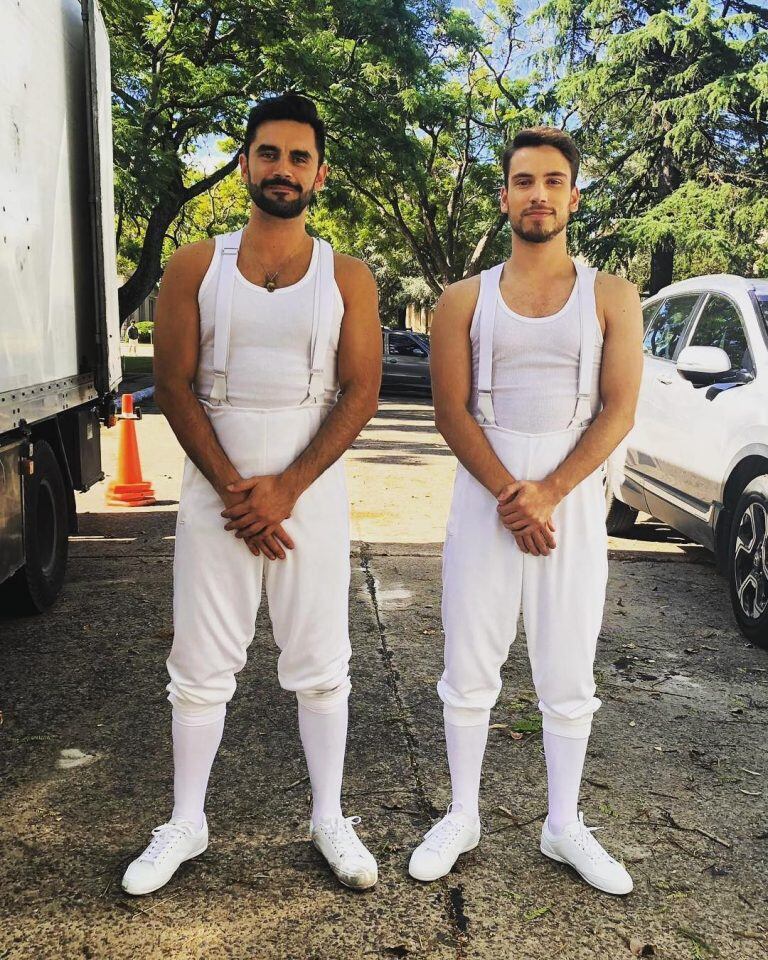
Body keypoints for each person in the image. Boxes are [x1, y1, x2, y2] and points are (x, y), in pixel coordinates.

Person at [122, 94, 382, 896]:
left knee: (322, 664)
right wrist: (240, 493)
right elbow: (173, 383)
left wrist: (288, 490)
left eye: (299, 157)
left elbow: (361, 389)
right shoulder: (197, 264)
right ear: (244, 164)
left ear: (320, 174)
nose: (283, 169)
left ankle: (329, 816)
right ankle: (186, 821)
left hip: (310, 495)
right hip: (217, 493)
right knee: (199, 666)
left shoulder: (347, 275)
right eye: (268, 154)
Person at [408, 127, 643, 895]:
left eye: (552, 181)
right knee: (469, 664)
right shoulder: (462, 299)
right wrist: (513, 495)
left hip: (569, 502)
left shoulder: (611, 295)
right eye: (523, 181)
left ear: (573, 198)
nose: (537, 194)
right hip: (485, 499)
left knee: (568, 668)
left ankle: (563, 824)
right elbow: (451, 411)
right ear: (504, 194)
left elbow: (617, 410)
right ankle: (463, 813)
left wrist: (549, 492)